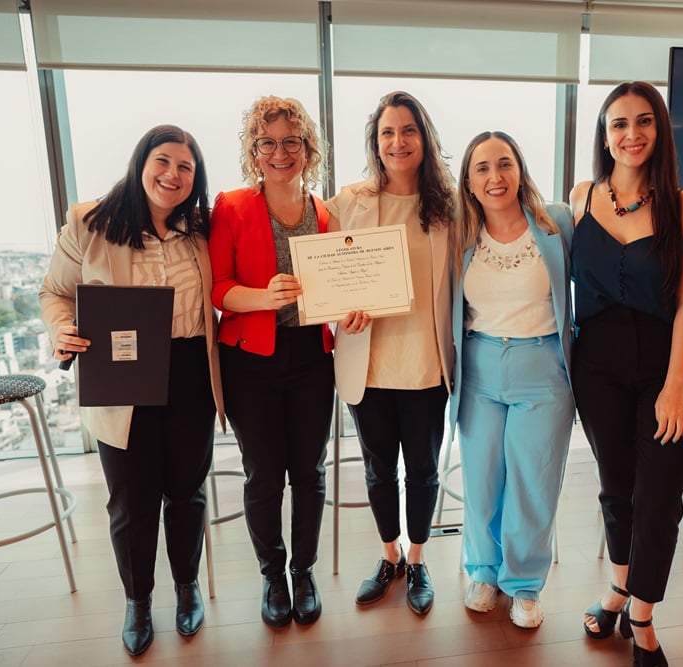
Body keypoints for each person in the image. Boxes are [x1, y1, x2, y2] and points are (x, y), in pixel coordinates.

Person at [40, 124, 224, 656]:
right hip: (122, 376)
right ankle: (137, 600)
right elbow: (55, 292)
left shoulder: (201, 230)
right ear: (141, 162)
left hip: (190, 369)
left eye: (185, 167)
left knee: (187, 492)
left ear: (196, 178)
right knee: (130, 500)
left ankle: (186, 587)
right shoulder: (90, 222)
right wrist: (60, 329)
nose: (172, 175)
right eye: (163, 161)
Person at [571, 82, 683, 667]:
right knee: (616, 489)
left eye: (644, 122)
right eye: (618, 124)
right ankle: (617, 588)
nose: (632, 134)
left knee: (659, 500)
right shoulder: (580, 198)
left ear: (660, 131)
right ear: (604, 135)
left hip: (668, 367)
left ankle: (643, 615)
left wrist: (675, 385)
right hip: (596, 366)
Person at [208, 96, 334, 628]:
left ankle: (303, 570)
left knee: (309, 471)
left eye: (291, 141)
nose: (280, 152)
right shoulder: (232, 206)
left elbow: (338, 286)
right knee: (263, 475)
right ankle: (272, 573)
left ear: (308, 149)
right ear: (253, 151)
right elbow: (217, 290)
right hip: (250, 361)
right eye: (268, 143)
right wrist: (264, 296)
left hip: (311, 356)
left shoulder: (326, 213)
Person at [328, 91, 456, 616]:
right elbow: (326, 273)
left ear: (424, 139)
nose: (397, 142)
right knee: (379, 469)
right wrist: (341, 310)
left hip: (427, 362)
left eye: (407, 131)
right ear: (374, 142)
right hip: (370, 361)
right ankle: (389, 556)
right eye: (387, 132)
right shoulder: (347, 201)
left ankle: (420, 559)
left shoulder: (451, 205)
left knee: (423, 470)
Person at [450, 131, 574, 629]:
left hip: (543, 367)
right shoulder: (458, 234)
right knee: (481, 480)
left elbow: (603, 281)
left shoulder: (557, 222)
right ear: (469, 181)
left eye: (504, 164)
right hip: (478, 365)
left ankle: (523, 583)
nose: (494, 176)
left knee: (532, 483)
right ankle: (482, 572)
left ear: (520, 169)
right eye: (482, 168)